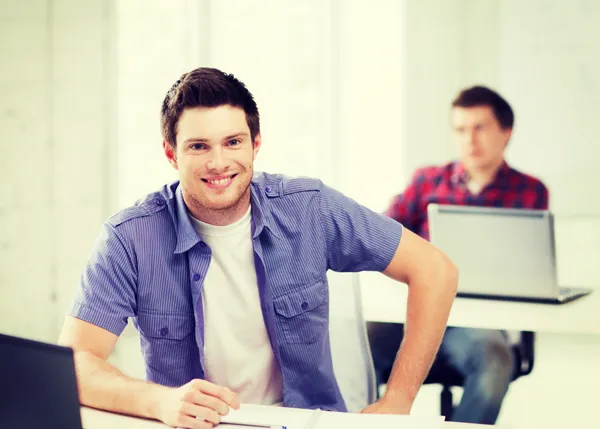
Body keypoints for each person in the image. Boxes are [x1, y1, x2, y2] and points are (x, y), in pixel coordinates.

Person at [57, 67, 458, 429]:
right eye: (198, 146)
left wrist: (400, 398)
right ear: (170, 152)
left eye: (233, 142)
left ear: (256, 143)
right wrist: (160, 401)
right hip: (193, 426)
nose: (218, 162)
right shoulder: (129, 238)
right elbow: (75, 363)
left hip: (303, 423)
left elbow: (435, 270)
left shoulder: (308, 207)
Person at [368, 85, 549, 425]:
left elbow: (528, 268)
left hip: (476, 323)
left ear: (506, 132)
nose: (470, 139)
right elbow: (379, 235)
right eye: (461, 130)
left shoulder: (529, 191)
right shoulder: (427, 181)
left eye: (480, 128)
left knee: (495, 361)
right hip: (413, 310)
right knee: (352, 345)